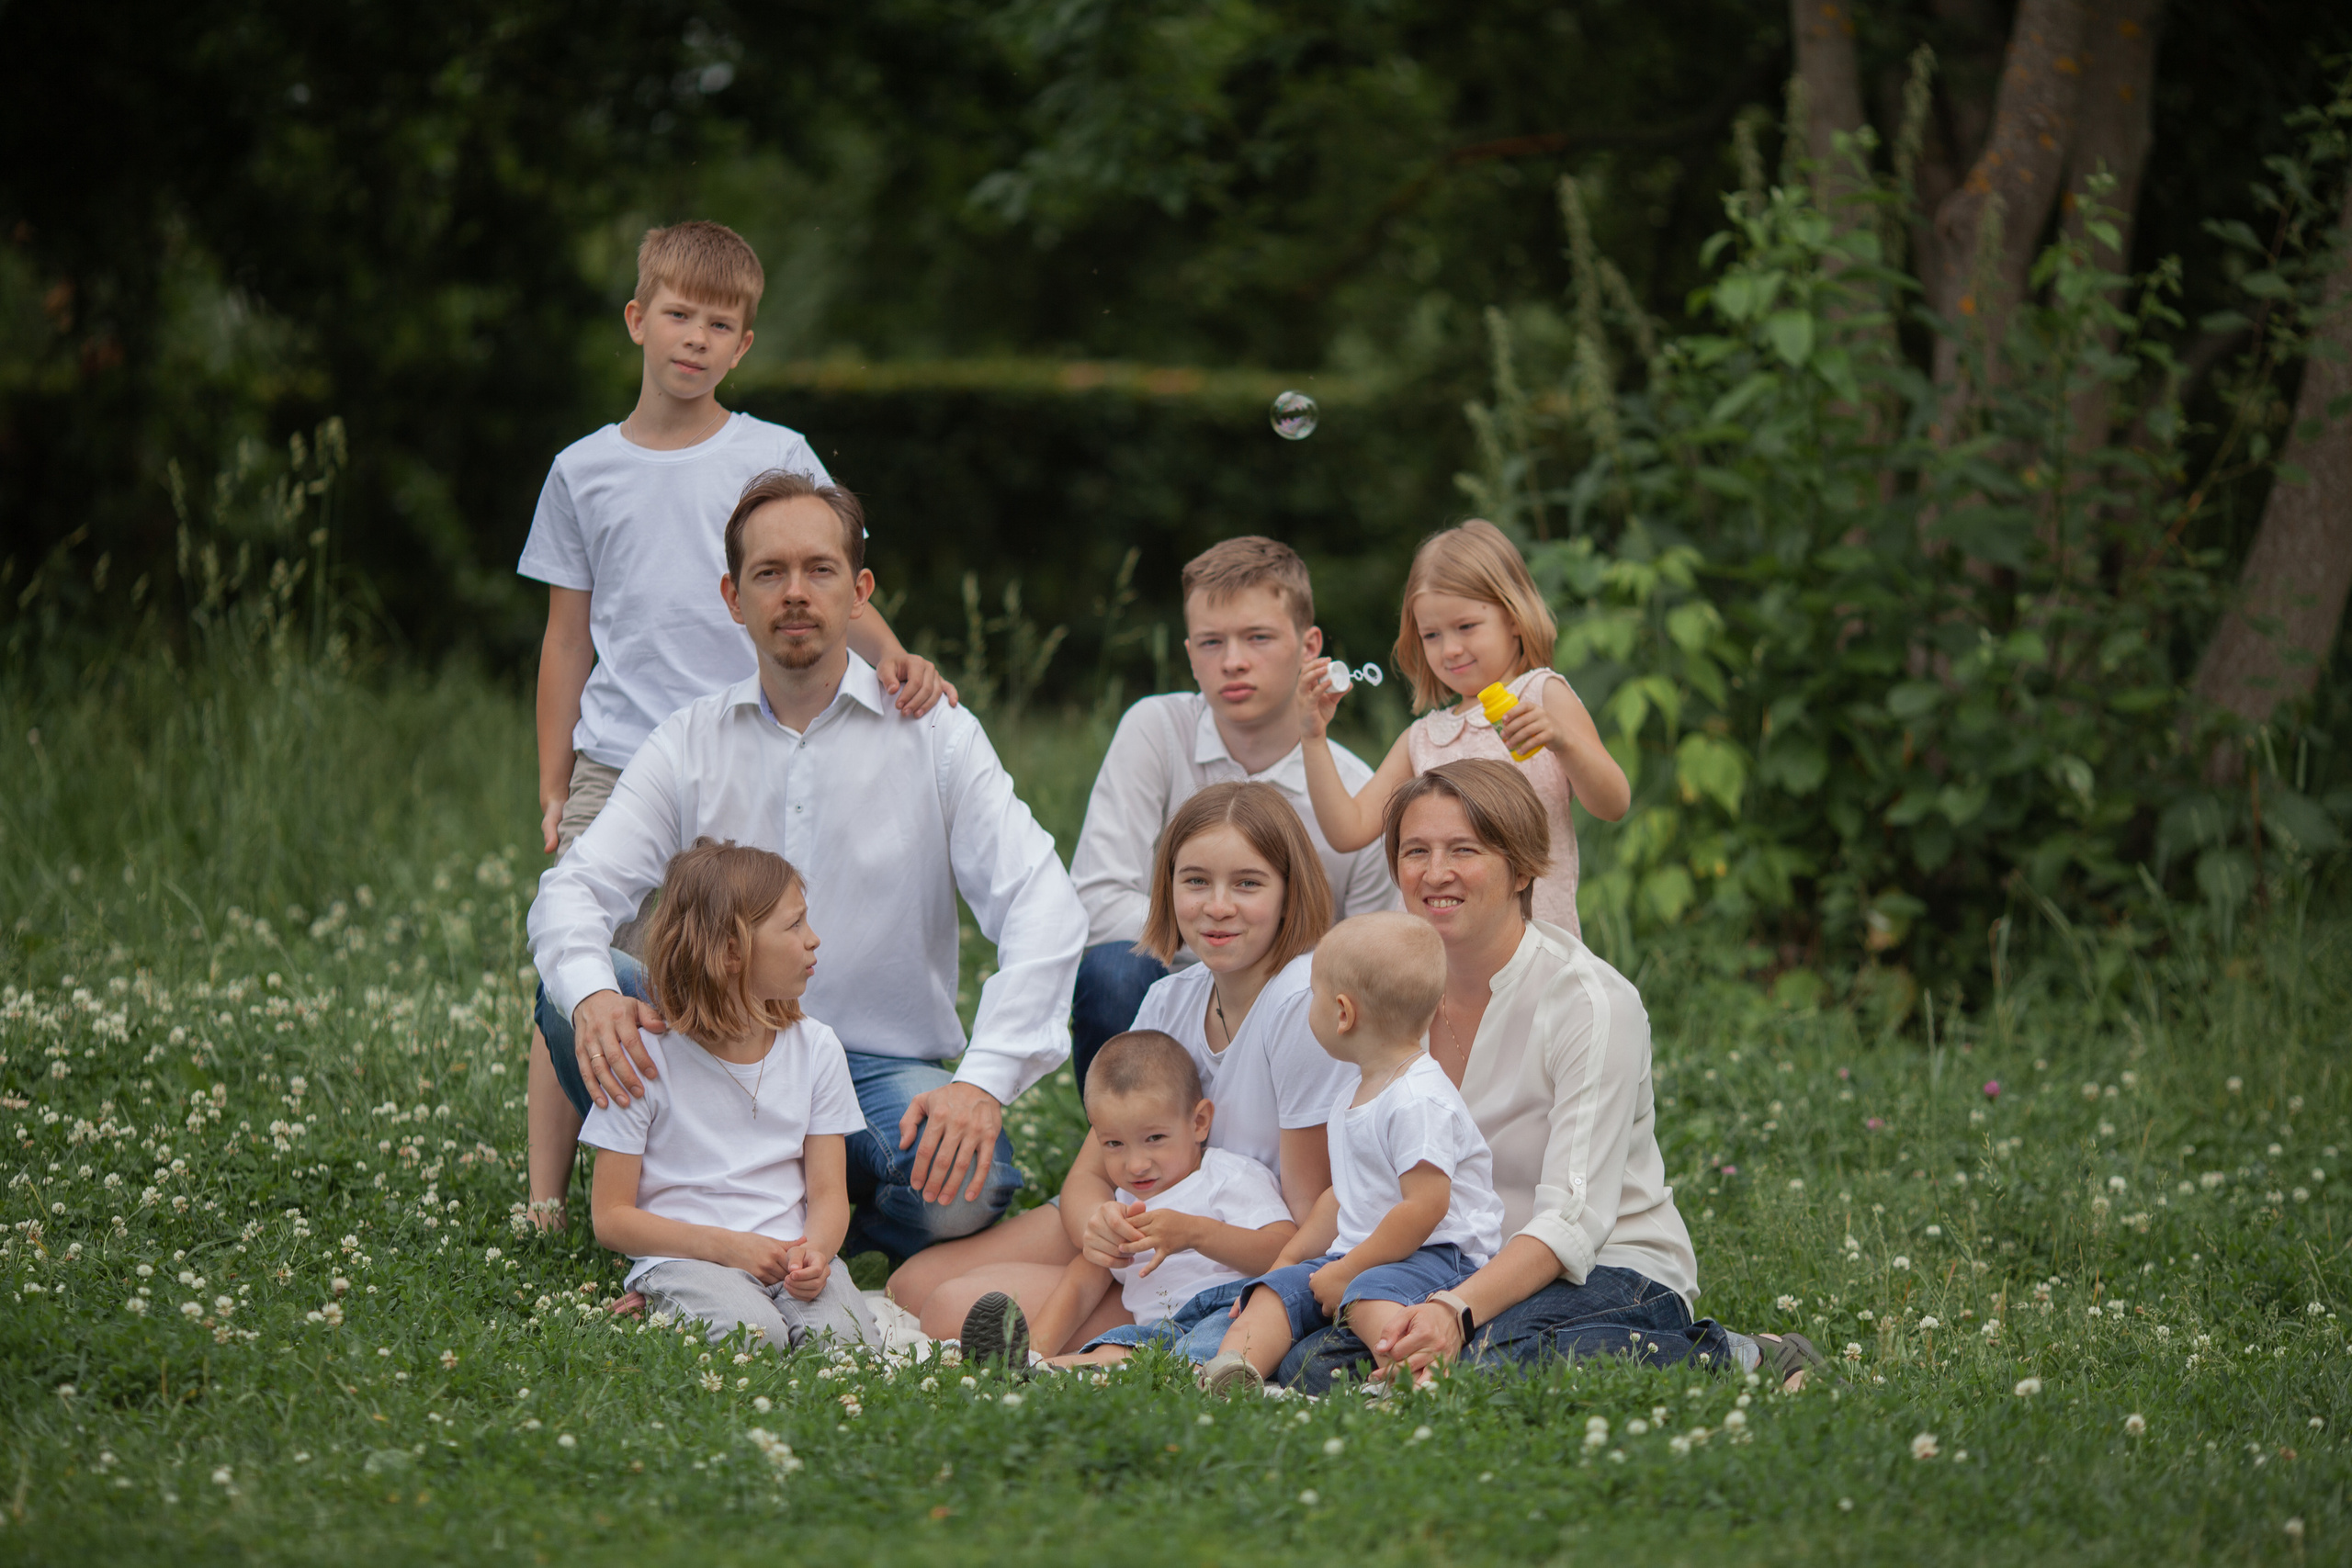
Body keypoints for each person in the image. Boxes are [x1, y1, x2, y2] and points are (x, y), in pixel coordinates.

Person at [529, 468, 1088, 1268]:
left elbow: (1044, 901)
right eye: (769, 573)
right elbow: (574, 890)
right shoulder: (688, 741)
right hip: (712, 1055)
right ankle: (698, 1208)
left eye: (819, 570)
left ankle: (814, 1247)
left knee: (967, 1185)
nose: (796, 592)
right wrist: (588, 997)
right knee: (576, 994)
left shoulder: (934, 735)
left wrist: (981, 1081)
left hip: (872, 1074)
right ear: (732, 597)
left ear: (859, 591)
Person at [518, 220, 952, 1228]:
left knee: (731, 973)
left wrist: (896, 659)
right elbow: (564, 641)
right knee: (581, 966)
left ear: (744, 345)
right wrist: (553, 781)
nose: (695, 338)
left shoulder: (773, 453)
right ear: (637, 319)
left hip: (746, 754)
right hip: (621, 762)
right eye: (677, 314)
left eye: (721, 324)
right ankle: (545, 1200)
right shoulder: (582, 471)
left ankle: (745, 1176)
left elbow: (826, 584)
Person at [1278, 761, 1826, 1392]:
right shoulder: (1388, 996)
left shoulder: (1590, 1001)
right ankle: (1452, 1353)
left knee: (1494, 1361)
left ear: (1521, 868)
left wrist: (1455, 1311)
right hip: (1452, 1266)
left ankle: (1733, 1353)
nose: (1434, 873)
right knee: (1311, 1365)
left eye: (1464, 849)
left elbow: (1572, 1219)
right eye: (1415, 851)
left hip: (1604, 1267)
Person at [887, 781, 1347, 1339]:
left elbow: (1312, 1212)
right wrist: (1095, 1228)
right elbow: (1088, 1171)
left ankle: (1130, 1323)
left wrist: (1254, 1296)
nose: (1217, 906)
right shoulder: (1170, 997)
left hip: (1225, 1250)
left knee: (949, 1307)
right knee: (910, 1285)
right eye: (1195, 881)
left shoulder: (1301, 1004)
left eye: (1248, 884)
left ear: (1288, 891)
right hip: (1141, 1210)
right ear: (1168, 886)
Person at [1069, 536, 1396, 1092]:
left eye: (1258, 637)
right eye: (1211, 642)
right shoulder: (1155, 729)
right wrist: (1217, 940)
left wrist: (1258, 970)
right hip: (1168, 994)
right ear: (1190, 652)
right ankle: (1129, 1155)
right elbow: (1095, 901)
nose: (1234, 661)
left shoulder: (1358, 792)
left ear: (1309, 644)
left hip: (1296, 1020)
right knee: (1111, 971)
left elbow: (1371, 957)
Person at [581, 838, 878, 1352]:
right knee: (756, 1337)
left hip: (787, 1257)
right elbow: (610, 1216)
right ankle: (662, 1302)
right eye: (794, 925)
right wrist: (726, 1247)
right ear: (730, 951)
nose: (814, 940)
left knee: (850, 1345)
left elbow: (829, 1192)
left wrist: (818, 1252)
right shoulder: (645, 1057)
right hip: (690, 1255)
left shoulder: (817, 1049)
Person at [1198, 911, 1505, 1397]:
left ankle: (1416, 1379)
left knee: (1364, 1296)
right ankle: (1232, 1372)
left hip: (1440, 1255)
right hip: (1367, 1252)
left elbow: (1426, 1207)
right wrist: (1288, 1263)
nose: (1308, 1009)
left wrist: (1349, 1269)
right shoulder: (1356, 1092)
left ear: (1343, 1012)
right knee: (1276, 1293)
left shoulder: (1417, 1099)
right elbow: (1342, 1200)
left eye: (1313, 997)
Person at [1297, 518, 1629, 939]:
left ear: (1513, 616)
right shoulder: (1422, 738)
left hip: (1531, 954)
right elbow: (1348, 830)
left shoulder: (1542, 697)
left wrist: (1563, 743)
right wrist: (1313, 737)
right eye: (1431, 634)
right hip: (1436, 962)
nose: (1449, 649)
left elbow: (1613, 803)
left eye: (1466, 627)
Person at [955, 1030, 1295, 1370]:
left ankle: (1200, 1375)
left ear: (1199, 1123)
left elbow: (1285, 1251)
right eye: (1114, 1144)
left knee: (1201, 1349)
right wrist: (1037, 1347)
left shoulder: (1226, 1176)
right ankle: (1028, 1368)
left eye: (1155, 1138)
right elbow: (1081, 1285)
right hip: (1158, 1331)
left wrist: (1195, 1234)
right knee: (1114, 1350)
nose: (1136, 1165)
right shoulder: (1123, 1204)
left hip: (1228, 1310)